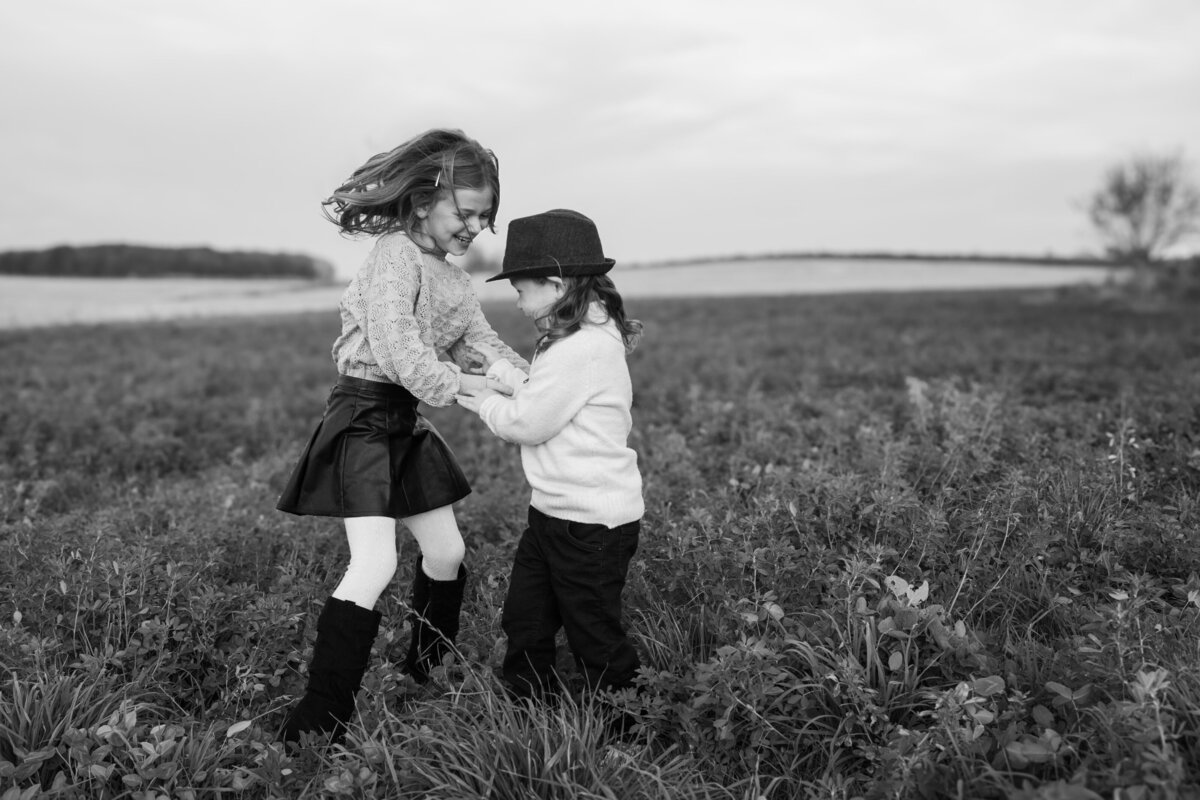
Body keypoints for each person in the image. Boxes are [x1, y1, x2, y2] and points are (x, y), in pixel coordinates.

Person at [275, 128, 528, 745]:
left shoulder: (453, 280)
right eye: (465, 213)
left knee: (446, 555)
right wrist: (470, 389)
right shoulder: (394, 258)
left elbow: (480, 342)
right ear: (422, 201)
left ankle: (426, 668)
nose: (475, 227)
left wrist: (530, 381)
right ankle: (316, 724)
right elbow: (399, 354)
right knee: (375, 561)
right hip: (363, 417)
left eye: (483, 217)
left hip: (405, 422)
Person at [456, 208, 644, 703]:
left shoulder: (582, 348)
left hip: (590, 526)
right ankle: (528, 705)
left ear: (555, 283)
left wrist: (481, 400)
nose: (517, 303)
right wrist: (499, 367)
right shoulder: (575, 341)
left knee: (593, 633)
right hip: (553, 514)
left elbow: (529, 422)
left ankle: (626, 721)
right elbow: (547, 396)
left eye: (521, 289)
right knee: (527, 617)